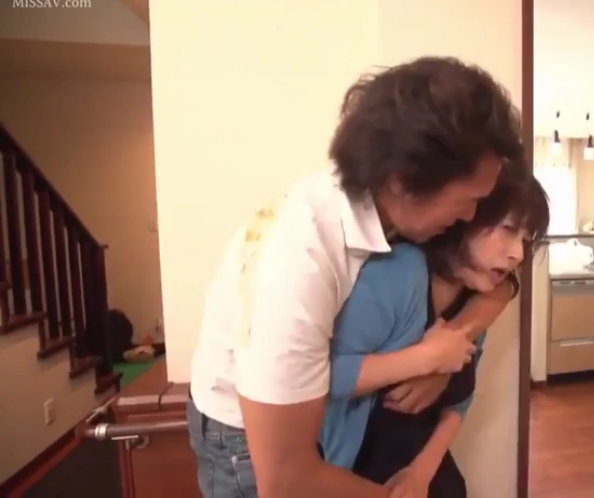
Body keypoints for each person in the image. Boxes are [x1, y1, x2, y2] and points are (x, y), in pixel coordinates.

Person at [186, 56, 526, 497]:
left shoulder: (391, 217)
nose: (469, 216)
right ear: (405, 180)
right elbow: (285, 480)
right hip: (245, 443)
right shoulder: (298, 257)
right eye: (468, 200)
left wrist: (458, 339)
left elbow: (496, 283)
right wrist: (426, 360)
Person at [322, 165, 549, 498]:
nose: (517, 254)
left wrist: (421, 473)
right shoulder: (400, 273)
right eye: (507, 229)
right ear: (467, 214)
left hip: (423, 474)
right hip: (354, 477)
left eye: (525, 241)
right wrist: (428, 360)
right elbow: (321, 377)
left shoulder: (478, 300)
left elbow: (460, 401)